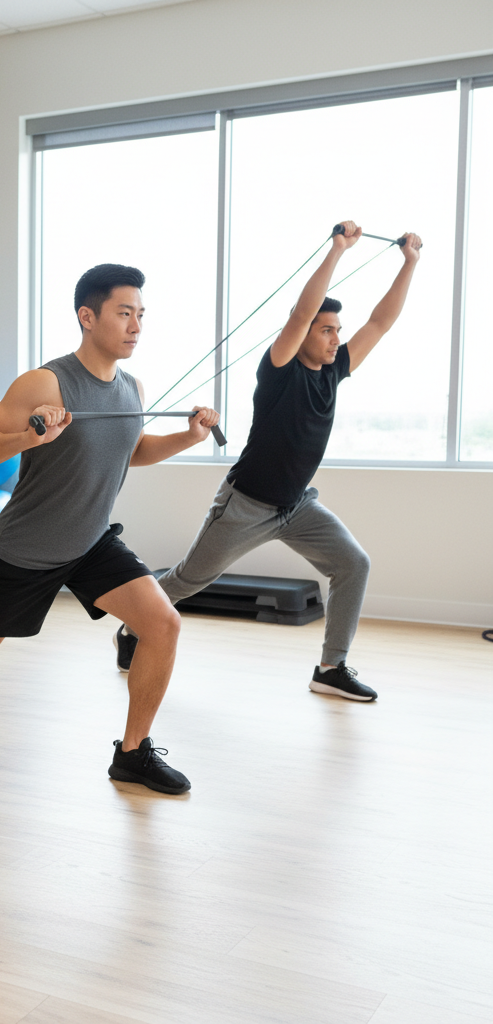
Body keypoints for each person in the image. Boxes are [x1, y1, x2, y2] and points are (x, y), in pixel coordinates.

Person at [0, 263, 220, 795]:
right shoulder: (47, 382)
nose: (136, 325)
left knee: (163, 624)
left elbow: (132, 451)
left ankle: (132, 754)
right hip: (26, 550)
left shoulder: (132, 388)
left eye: (141, 315)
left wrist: (188, 437)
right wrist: (32, 436)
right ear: (88, 316)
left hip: (90, 541)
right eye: (124, 313)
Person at [113, 221, 423, 702]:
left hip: (297, 506)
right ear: (300, 336)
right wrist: (338, 251)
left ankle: (331, 667)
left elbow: (380, 322)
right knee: (189, 579)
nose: (335, 338)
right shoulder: (278, 369)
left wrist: (410, 264)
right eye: (326, 330)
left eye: (337, 330)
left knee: (353, 564)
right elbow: (301, 312)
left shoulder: (334, 371)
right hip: (246, 505)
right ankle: (133, 626)